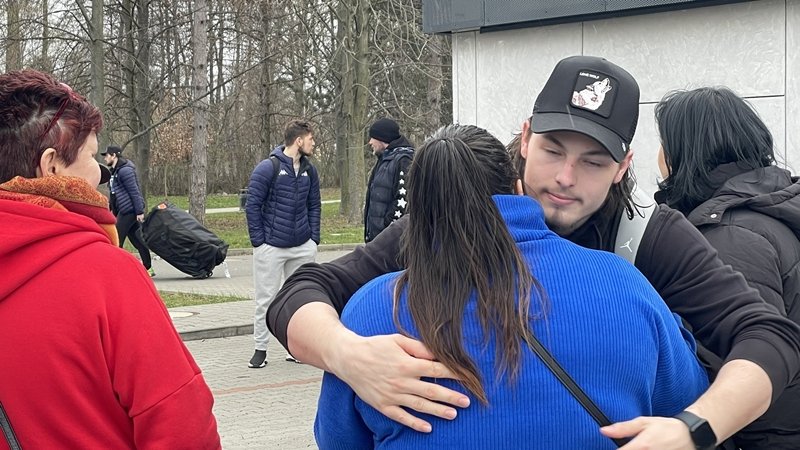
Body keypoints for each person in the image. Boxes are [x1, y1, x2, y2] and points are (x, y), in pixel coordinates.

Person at [268, 56, 800, 449]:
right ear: (525, 138)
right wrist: (349, 355)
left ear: (623, 167)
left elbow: (770, 337)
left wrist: (693, 430)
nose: (565, 178)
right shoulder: (459, 211)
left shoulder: (649, 236)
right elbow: (305, 291)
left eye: (593, 162)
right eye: (552, 149)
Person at [314, 124, 709, 449]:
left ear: (416, 211)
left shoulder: (372, 311)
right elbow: (685, 399)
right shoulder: (624, 285)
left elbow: (337, 439)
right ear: (518, 188)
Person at [0, 70, 220, 448]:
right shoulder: (107, 275)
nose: (100, 172)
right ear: (51, 166)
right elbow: (183, 423)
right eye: (90, 156)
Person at [654, 86, 800, 449]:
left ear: (681, 153)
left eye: (663, 144)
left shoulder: (729, 235)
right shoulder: (775, 207)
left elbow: (756, 360)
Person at [245, 119, 321, 368]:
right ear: (298, 141)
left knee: (299, 299)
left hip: (302, 246)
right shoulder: (268, 168)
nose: (313, 143)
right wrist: (259, 242)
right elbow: (252, 206)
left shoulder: (310, 171)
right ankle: (260, 349)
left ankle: (295, 349)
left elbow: (314, 205)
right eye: (310, 139)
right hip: (271, 247)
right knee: (265, 300)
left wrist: (313, 239)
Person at [101, 144, 154, 277]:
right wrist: (110, 209)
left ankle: (115, 270)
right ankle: (148, 268)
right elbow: (114, 194)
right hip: (123, 210)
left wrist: (139, 211)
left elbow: (134, 192)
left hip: (129, 211)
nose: (105, 158)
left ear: (114, 156)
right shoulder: (115, 172)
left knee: (116, 239)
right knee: (137, 239)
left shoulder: (125, 171)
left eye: (107, 155)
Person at [364, 118, 414, 242]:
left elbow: (403, 199)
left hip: (391, 241)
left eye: (373, 138)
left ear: (382, 138)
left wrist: (387, 228)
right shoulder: (384, 160)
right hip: (377, 240)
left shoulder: (404, 160)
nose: (370, 142)